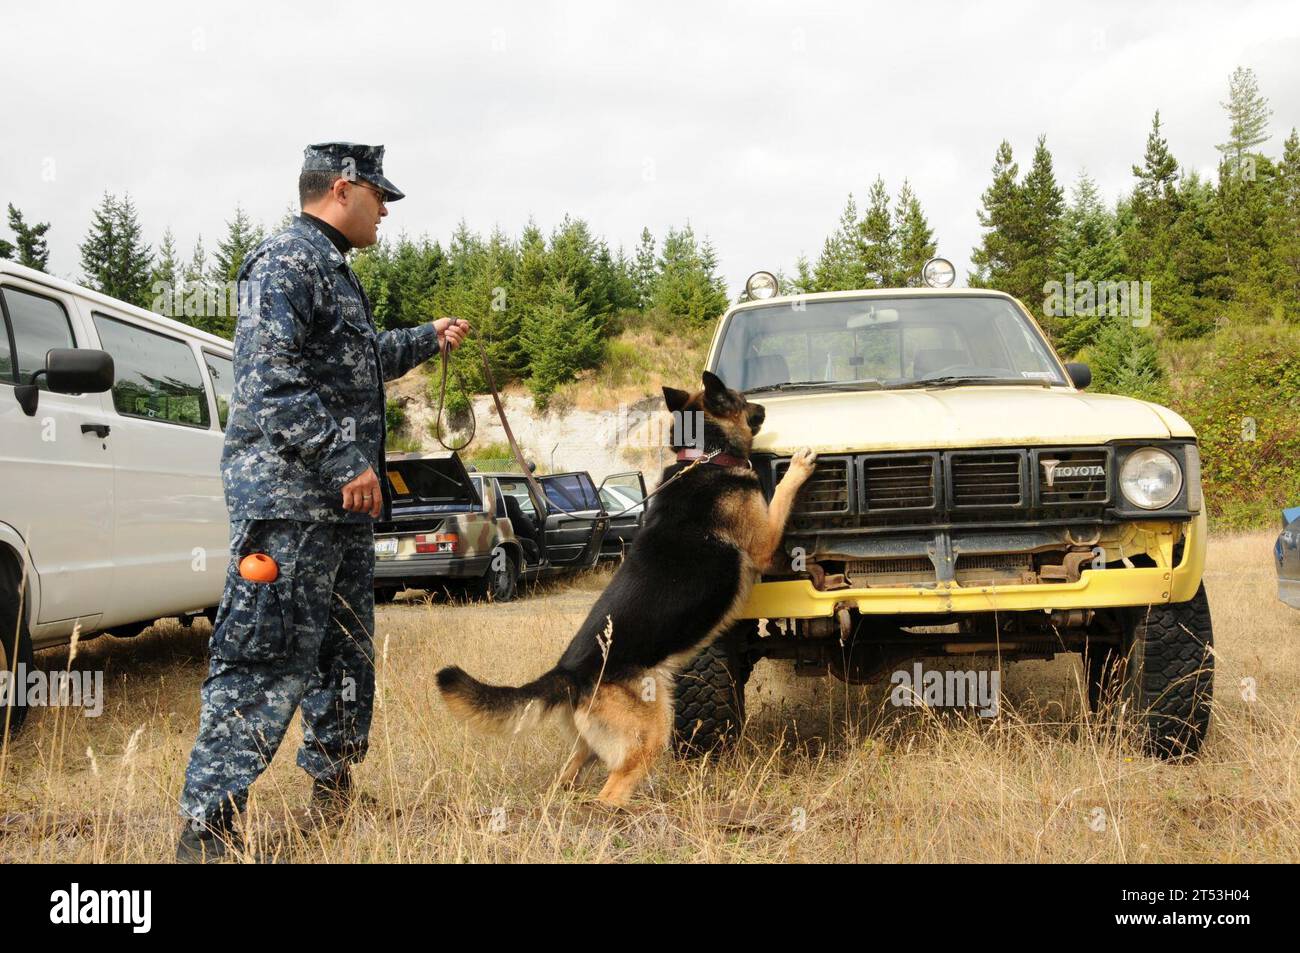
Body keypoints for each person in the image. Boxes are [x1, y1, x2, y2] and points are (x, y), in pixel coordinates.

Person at [176, 142, 470, 862]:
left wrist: (427, 339)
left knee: (344, 658)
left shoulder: (330, 269)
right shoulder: (285, 261)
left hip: (336, 514)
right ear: (343, 188)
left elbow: (357, 356)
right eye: (381, 195)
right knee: (262, 657)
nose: (388, 209)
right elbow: (268, 379)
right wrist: (345, 459)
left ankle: (332, 790)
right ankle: (207, 829)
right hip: (290, 507)